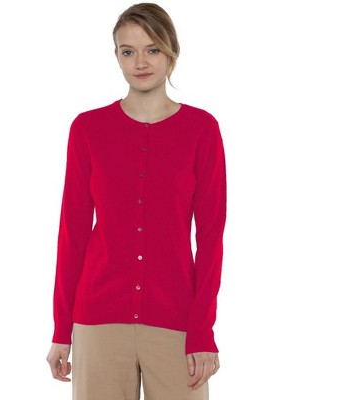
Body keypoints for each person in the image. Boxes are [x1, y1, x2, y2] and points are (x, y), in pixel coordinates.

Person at [46, 3, 227, 399]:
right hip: (98, 320)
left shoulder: (201, 130)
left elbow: (211, 238)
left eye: (153, 49)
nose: (140, 62)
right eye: (128, 51)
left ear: (171, 52)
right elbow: (72, 234)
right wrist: (61, 330)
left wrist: (203, 331)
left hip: (176, 321)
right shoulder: (88, 129)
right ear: (116, 56)